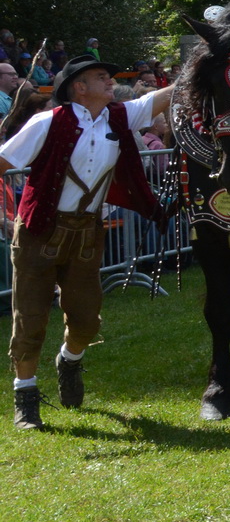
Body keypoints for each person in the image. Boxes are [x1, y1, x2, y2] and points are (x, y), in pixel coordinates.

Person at [0, 54, 172, 429]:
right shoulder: (48, 121)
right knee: (29, 319)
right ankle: (25, 397)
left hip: (86, 233)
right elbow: (2, 162)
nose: (110, 81)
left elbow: (167, 96)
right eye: (100, 77)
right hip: (38, 231)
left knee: (87, 320)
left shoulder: (118, 116)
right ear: (79, 87)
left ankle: (69, 361)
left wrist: (210, 57)